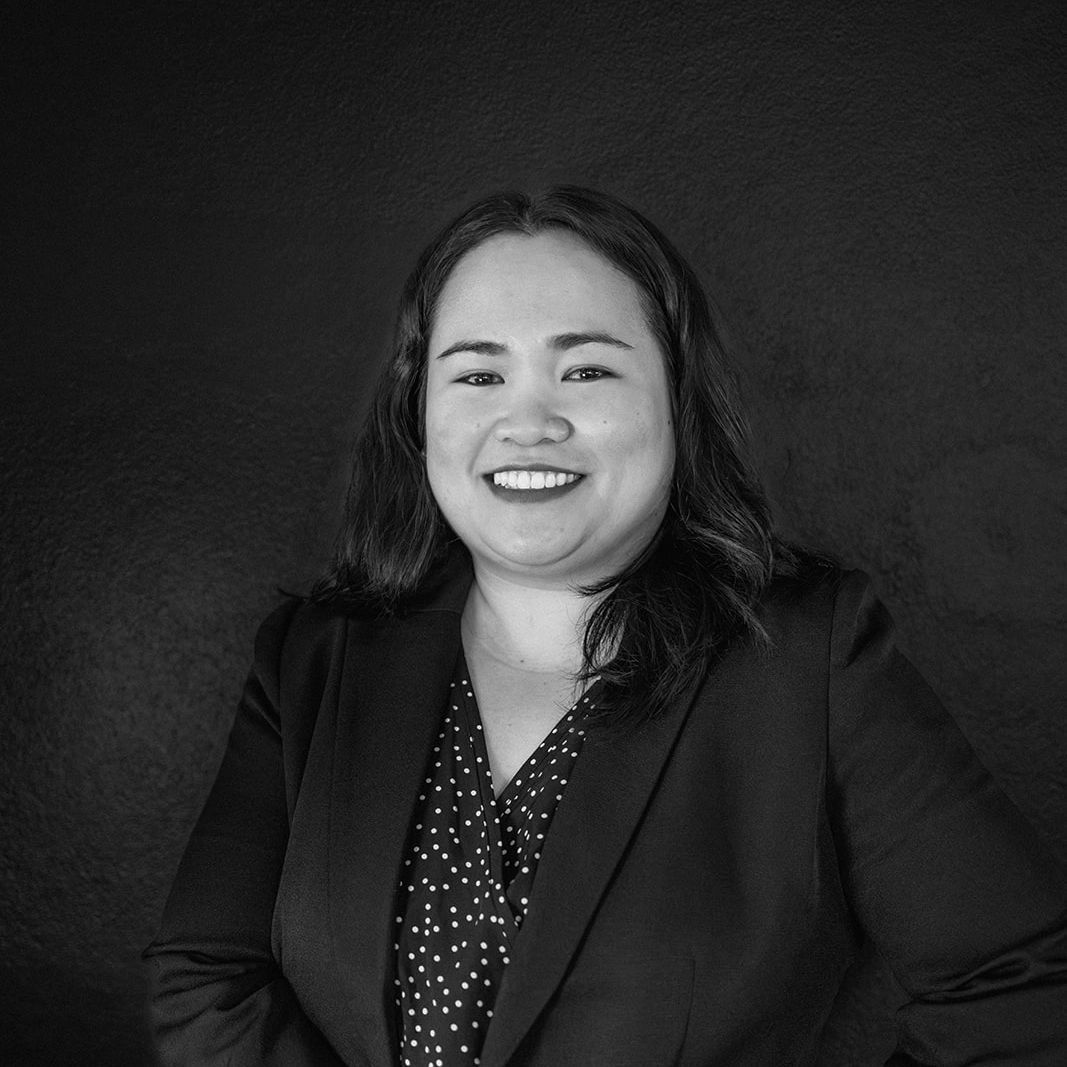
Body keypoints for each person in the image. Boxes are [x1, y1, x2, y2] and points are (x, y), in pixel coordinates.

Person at [144, 187, 1067, 1066]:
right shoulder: (312, 657)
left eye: (584, 368)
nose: (527, 420)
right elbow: (206, 977)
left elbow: (1018, 988)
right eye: (477, 372)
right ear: (417, 416)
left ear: (677, 403)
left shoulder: (814, 657)